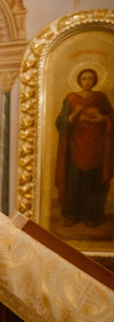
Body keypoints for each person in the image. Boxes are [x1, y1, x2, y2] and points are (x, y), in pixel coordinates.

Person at [55, 67, 114, 228]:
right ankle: (72, 215)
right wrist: (74, 114)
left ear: (94, 80)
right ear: (79, 81)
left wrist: (104, 119)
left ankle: (91, 216)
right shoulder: (71, 99)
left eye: (90, 78)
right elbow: (60, 122)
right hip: (75, 146)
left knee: (92, 182)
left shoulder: (100, 98)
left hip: (96, 146)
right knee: (74, 181)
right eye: (84, 78)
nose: (87, 81)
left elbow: (111, 117)